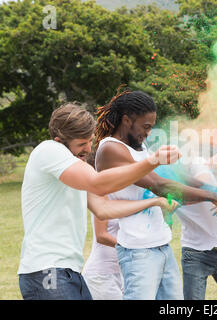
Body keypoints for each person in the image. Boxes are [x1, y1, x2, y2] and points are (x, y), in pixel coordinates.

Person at [18, 102, 181, 300]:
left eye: (90, 141)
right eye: (81, 144)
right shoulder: (48, 150)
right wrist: (152, 161)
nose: (88, 149)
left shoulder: (74, 168)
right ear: (59, 140)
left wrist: (153, 202)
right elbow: (98, 184)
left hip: (70, 272)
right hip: (46, 271)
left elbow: (103, 208)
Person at [94, 86, 217, 300]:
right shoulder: (111, 149)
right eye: (145, 126)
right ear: (127, 120)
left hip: (160, 244)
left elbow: (173, 177)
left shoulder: (140, 148)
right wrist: (213, 196)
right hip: (137, 250)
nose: (148, 133)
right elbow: (159, 185)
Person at [81, 155, 178, 300]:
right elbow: (101, 235)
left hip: (125, 269)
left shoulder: (131, 192)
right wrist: (136, 248)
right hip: (102, 275)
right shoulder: (102, 194)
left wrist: (166, 214)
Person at [154, 157, 217, 300]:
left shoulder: (197, 165)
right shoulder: (166, 186)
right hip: (194, 253)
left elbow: (202, 185)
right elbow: (174, 206)